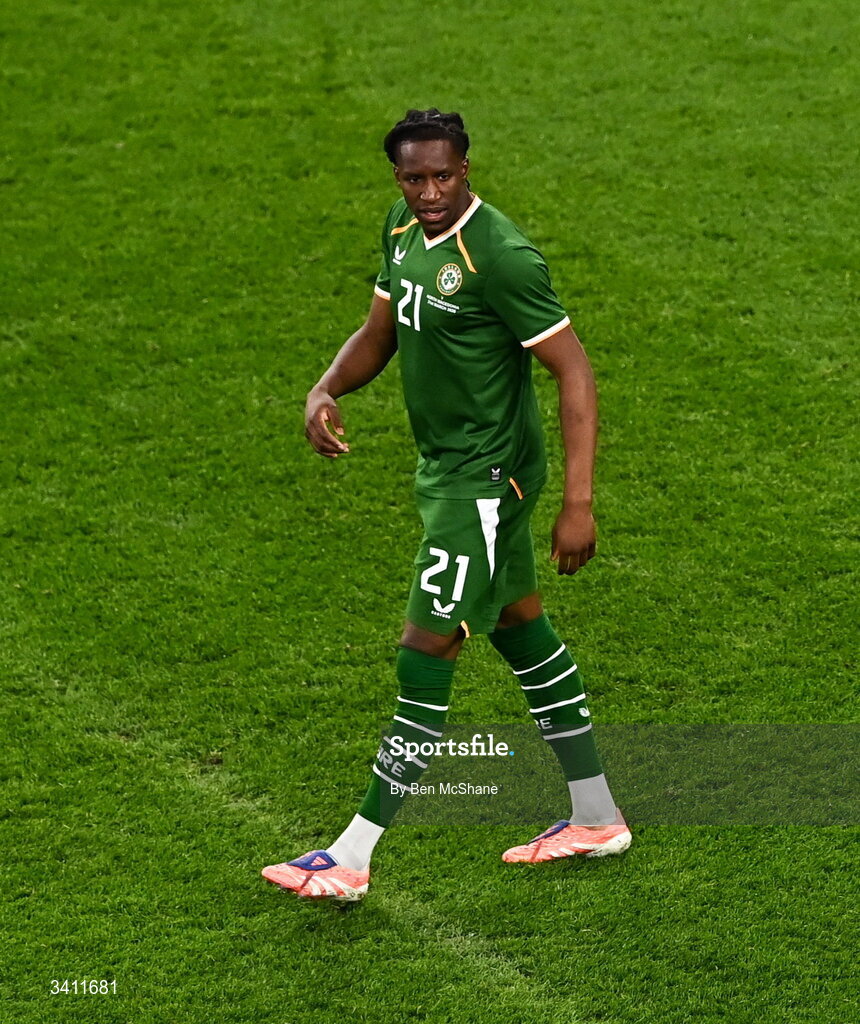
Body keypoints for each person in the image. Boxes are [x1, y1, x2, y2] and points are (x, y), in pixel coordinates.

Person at [262, 109, 631, 902]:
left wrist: (579, 502)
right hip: (449, 472)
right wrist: (326, 386)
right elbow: (380, 331)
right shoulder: (402, 229)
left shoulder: (501, 256)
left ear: (468, 169)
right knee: (519, 626)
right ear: (399, 180)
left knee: (424, 648)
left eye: (443, 176)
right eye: (414, 178)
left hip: (487, 483)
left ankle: (352, 854)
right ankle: (596, 818)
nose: (429, 192)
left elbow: (574, 371)